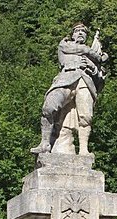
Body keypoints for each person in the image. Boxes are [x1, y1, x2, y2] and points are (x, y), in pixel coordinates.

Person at [30, 23, 108, 155]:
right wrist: (94, 55)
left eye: (83, 32)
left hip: (85, 80)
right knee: (48, 107)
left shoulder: (91, 55)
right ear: (72, 34)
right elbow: (76, 51)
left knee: (86, 117)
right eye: (77, 31)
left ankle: (84, 150)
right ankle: (44, 143)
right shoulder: (65, 45)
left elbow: (99, 75)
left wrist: (92, 67)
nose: (80, 33)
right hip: (66, 78)